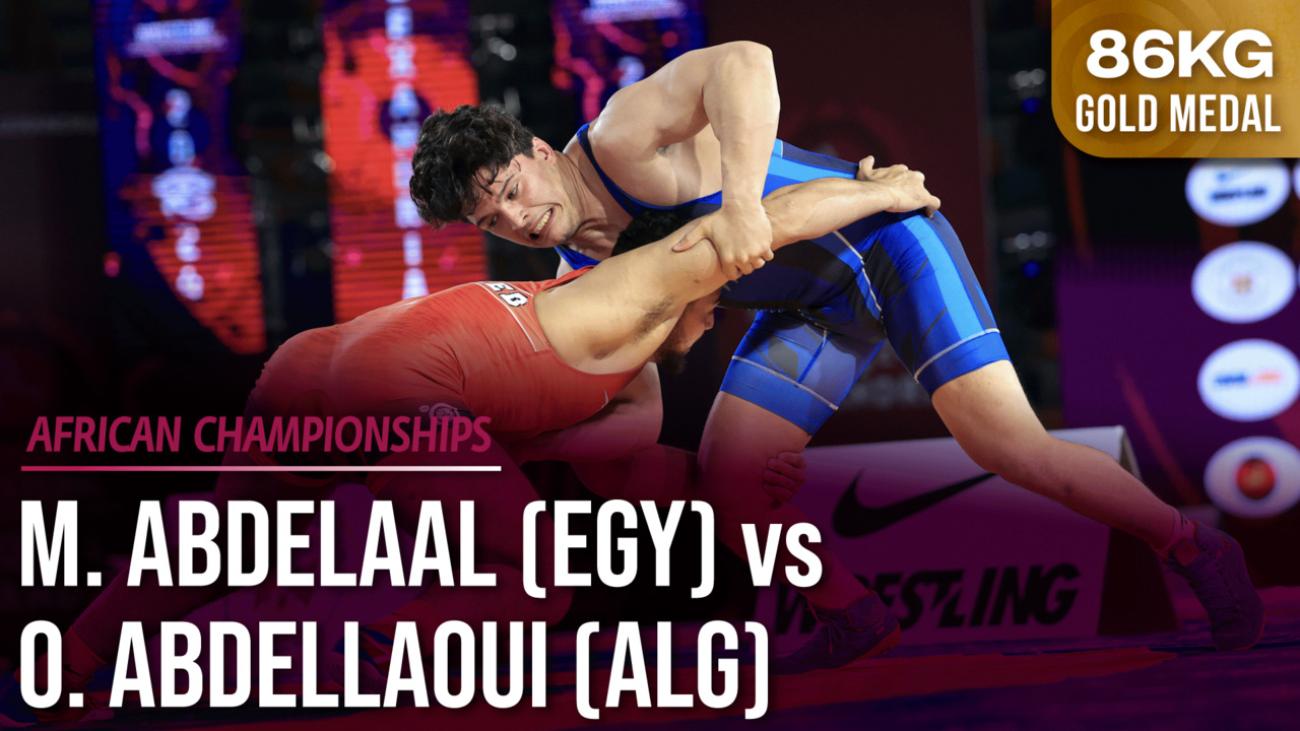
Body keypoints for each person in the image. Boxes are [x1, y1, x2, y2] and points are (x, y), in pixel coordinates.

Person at [409, 41, 1264, 671]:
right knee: (731, 480)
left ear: (537, 153)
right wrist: (525, 443)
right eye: (490, 221)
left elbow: (744, 60)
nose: (515, 220)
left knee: (1007, 445)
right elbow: (638, 416)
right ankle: (851, 612)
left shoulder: (621, 139)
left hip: (887, 245)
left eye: (511, 191)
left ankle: (1194, 546)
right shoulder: (580, 275)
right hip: (810, 307)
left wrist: (743, 201)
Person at [0, 171, 935, 725]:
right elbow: (768, 218)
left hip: (315, 364)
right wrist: (886, 192)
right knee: (540, 580)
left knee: (219, 543)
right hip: (402, 393)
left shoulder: (611, 355)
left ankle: (61, 672)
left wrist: (739, 482)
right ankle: (372, 659)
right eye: (717, 303)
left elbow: (639, 478)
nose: (719, 318)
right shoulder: (641, 290)